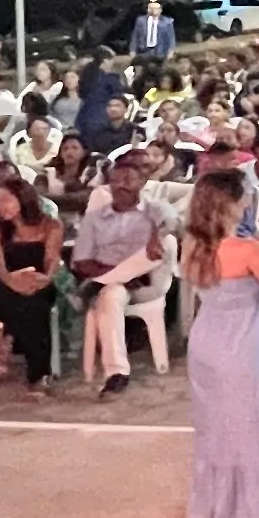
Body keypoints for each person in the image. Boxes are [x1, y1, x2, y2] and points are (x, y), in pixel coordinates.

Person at [179, 168, 259, 518]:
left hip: (206, 343)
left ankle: (219, 514)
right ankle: (250, 512)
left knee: (215, 430)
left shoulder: (193, 246)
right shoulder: (248, 251)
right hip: (243, 344)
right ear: (232, 203)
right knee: (249, 427)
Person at [72, 156, 169, 394]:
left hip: (142, 278)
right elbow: (81, 262)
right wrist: (116, 275)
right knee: (111, 294)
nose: (120, 186)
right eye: (114, 181)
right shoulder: (94, 218)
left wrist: (157, 233)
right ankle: (117, 372)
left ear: (142, 182)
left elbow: (174, 227)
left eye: (127, 180)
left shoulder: (154, 210)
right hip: (110, 278)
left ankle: (94, 287)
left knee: (144, 260)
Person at [0, 177, 62, 392]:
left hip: (37, 283)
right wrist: (14, 283)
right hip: (0, 287)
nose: (1, 206)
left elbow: (52, 259)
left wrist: (45, 278)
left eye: (7, 200)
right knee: (28, 304)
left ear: (23, 200)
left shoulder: (51, 225)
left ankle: (6, 343)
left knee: (35, 302)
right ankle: (39, 374)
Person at [131, 0, 177, 64]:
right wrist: (132, 50)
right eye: (151, 8)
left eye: (156, 8)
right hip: (143, 52)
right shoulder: (140, 21)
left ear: (160, 10)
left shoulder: (167, 22)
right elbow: (135, 36)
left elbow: (171, 38)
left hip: (161, 52)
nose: (153, 11)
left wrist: (171, 51)